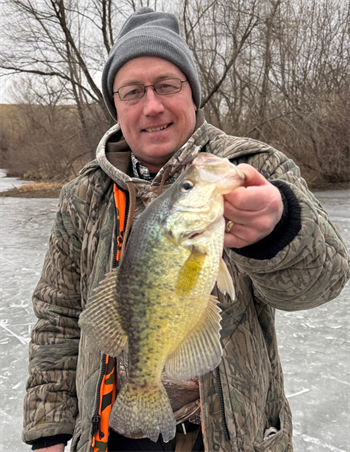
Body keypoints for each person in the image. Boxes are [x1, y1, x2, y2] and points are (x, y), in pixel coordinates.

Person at [22, 7, 349, 452]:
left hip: (227, 439)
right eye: (132, 91)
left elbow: (321, 286)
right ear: (116, 106)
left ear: (192, 93)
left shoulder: (254, 169)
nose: (152, 105)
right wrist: (50, 434)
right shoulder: (83, 194)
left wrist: (277, 228)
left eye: (167, 86)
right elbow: (58, 319)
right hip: (107, 436)